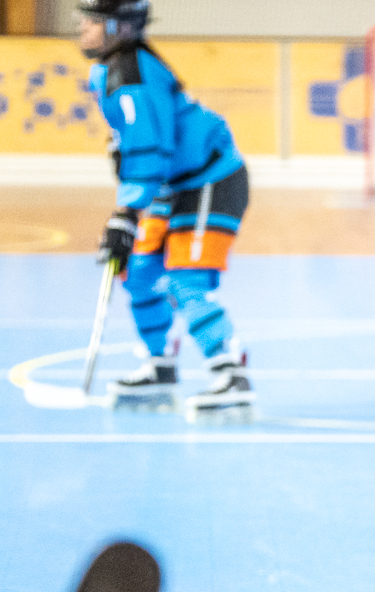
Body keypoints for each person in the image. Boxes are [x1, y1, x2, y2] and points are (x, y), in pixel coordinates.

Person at [79, 0, 255, 420]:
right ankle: (159, 367)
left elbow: (150, 147)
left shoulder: (133, 75)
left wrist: (126, 214)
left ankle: (230, 372)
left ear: (119, 28)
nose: (83, 28)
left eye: (93, 21)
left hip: (209, 179)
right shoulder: (108, 71)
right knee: (139, 272)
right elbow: (130, 139)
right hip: (170, 183)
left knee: (185, 279)